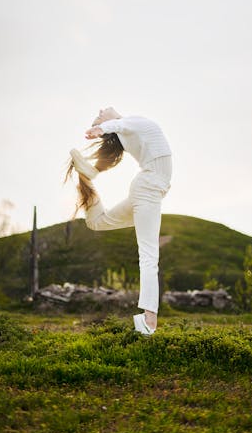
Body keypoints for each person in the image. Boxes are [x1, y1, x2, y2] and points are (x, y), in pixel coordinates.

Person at [63, 107, 172, 335]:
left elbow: (120, 127)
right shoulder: (127, 124)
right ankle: (149, 321)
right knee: (149, 254)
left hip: (146, 190)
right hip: (147, 190)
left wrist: (102, 127)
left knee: (98, 222)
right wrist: (100, 128)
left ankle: (89, 176)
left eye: (101, 113)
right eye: (99, 113)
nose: (102, 109)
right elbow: (119, 125)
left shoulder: (132, 127)